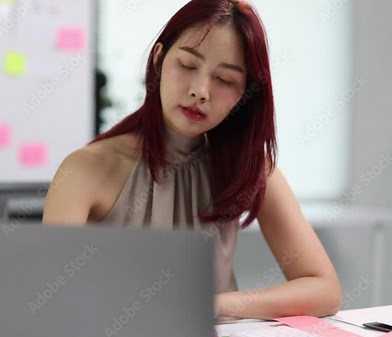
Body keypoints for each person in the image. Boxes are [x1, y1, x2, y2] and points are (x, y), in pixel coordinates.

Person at [42, 0, 341, 319]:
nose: (200, 91)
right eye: (187, 65)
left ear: (245, 93)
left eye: (224, 80)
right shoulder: (85, 169)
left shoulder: (251, 166)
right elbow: (46, 296)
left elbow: (324, 290)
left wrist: (214, 303)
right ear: (158, 60)